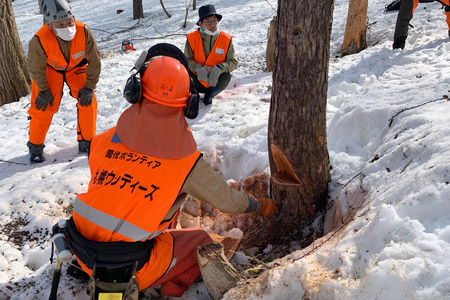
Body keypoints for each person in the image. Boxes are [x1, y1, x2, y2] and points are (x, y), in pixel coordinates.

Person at [64, 44, 277, 298]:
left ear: (136, 91)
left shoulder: (103, 140)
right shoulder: (183, 162)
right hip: (129, 266)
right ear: (188, 104)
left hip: (80, 246)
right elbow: (227, 201)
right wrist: (261, 206)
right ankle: (161, 286)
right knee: (202, 241)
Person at [27, 0, 101, 163]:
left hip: (76, 67)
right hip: (50, 70)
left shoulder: (83, 31)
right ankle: (35, 147)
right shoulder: (39, 40)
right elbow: (36, 68)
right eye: (60, 25)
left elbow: (94, 61)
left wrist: (89, 87)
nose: (67, 27)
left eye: (69, 22)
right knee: (43, 107)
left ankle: (87, 141)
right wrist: (44, 90)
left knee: (88, 101)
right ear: (49, 24)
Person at [184, 4, 238, 105]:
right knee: (185, 73)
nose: (212, 25)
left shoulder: (226, 39)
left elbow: (234, 62)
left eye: (214, 21)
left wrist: (220, 68)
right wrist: (199, 68)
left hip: (215, 81)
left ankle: (209, 95)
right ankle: (193, 94)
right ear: (200, 23)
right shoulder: (192, 38)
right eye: (207, 22)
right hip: (197, 78)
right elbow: (186, 59)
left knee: (226, 75)